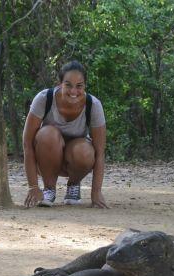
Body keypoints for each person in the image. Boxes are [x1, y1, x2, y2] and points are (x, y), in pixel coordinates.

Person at [22, 61, 109, 208]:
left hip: (76, 161)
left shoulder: (93, 105)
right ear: (60, 83)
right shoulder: (44, 99)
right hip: (45, 159)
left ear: (85, 86)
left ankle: (74, 185)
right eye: (68, 85)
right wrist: (33, 187)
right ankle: (49, 188)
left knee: (85, 150)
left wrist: (96, 191)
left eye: (79, 86)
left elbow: (100, 153)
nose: (73, 91)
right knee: (47, 134)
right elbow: (27, 144)